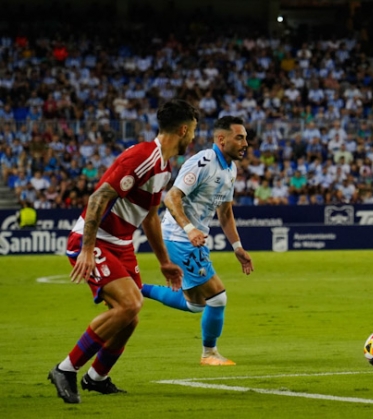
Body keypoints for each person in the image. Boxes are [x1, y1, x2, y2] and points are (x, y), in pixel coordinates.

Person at [48, 99, 199, 404]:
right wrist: (87, 249)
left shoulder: (163, 167)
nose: (194, 137)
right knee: (129, 304)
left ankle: (97, 377)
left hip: (120, 244)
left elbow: (150, 217)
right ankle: (65, 369)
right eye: (194, 131)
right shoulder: (143, 157)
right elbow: (97, 199)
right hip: (95, 239)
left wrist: (165, 263)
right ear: (183, 129)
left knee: (130, 317)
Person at [141, 116, 254, 366]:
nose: (245, 142)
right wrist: (190, 229)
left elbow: (225, 213)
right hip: (180, 238)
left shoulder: (230, 169)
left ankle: (137, 288)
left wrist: (238, 247)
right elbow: (171, 198)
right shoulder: (203, 162)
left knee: (195, 304)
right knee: (217, 297)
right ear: (221, 140)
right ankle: (209, 353)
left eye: (245, 137)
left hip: (188, 238)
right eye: (240, 137)